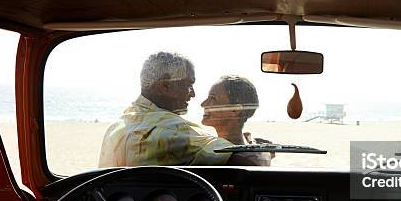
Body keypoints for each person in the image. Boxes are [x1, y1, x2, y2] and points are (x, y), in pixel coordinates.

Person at [98, 52, 260, 167]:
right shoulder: (172, 131)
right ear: (165, 86)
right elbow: (251, 161)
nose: (194, 95)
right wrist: (263, 151)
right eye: (188, 85)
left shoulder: (118, 126)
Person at [201, 75, 273, 165]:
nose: (203, 104)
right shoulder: (255, 151)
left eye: (213, 98)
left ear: (235, 110)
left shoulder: (233, 159)